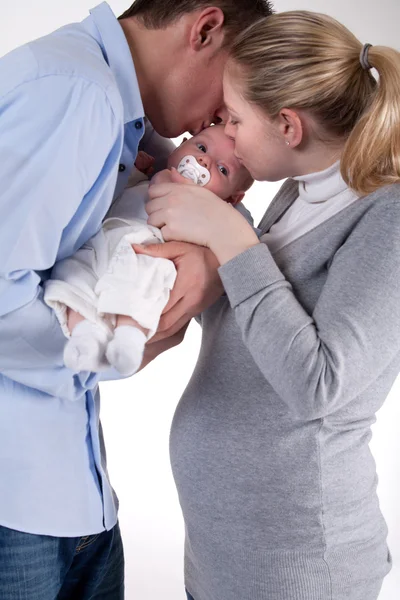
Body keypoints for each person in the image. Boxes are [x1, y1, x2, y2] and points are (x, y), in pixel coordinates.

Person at [0, 0, 273, 598]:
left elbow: (212, 183)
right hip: (14, 506)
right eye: (232, 94)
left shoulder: (117, 111)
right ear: (205, 29)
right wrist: (122, 346)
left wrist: (210, 258)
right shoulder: (76, 93)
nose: (227, 119)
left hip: (71, 496)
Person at [139, 10, 400, 600]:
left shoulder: (388, 215)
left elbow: (319, 384)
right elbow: (257, 328)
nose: (221, 129)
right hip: (223, 553)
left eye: (232, 117)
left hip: (299, 567)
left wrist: (231, 239)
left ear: (287, 126)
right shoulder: (298, 191)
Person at [44, 125, 253, 377]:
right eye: (201, 147)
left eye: (222, 169)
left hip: (145, 254)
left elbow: (242, 239)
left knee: (149, 280)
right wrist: (134, 170)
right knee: (72, 274)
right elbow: (113, 190)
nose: (203, 160)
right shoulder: (148, 174)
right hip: (99, 244)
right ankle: (84, 336)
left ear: (231, 199)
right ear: (182, 145)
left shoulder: (207, 219)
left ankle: (129, 337)